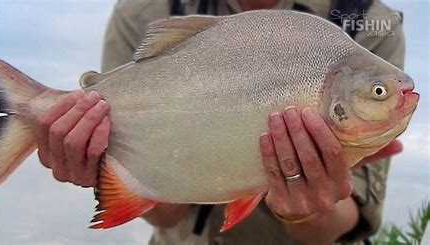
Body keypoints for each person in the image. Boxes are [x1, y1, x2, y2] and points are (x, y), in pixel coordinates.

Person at [35, 0, 406, 244]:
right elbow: (166, 217)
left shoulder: (369, 23)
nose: (389, 97)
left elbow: (341, 223)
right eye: (378, 92)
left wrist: (311, 209)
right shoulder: (142, 10)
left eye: (377, 93)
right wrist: (101, 161)